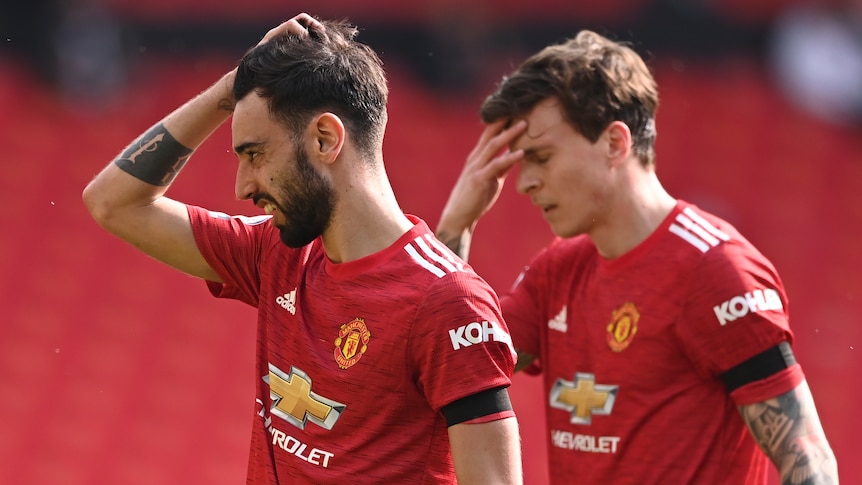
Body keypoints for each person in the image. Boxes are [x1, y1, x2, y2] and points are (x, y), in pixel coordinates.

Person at [83, 13, 522, 485]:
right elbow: (112, 202)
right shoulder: (274, 253)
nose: (242, 185)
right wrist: (231, 90)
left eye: (255, 154)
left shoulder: (449, 301)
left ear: (325, 139)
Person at [435, 30, 839, 484]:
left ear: (614, 143)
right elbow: (459, 364)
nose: (524, 181)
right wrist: (457, 225)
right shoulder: (559, 270)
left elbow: (808, 457)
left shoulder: (716, 270)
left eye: (541, 157)